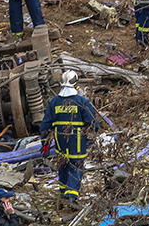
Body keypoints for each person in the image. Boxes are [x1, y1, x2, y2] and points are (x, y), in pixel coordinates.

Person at [39, 71, 100, 207]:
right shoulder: (81, 101)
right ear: (75, 83)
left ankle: (62, 193)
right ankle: (72, 197)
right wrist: (93, 134)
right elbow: (93, 123)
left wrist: (45, 142)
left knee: (63, 165)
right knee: (76, 166)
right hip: (77, 140)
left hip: (60, 141)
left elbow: (45, 125)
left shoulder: (54, 102)